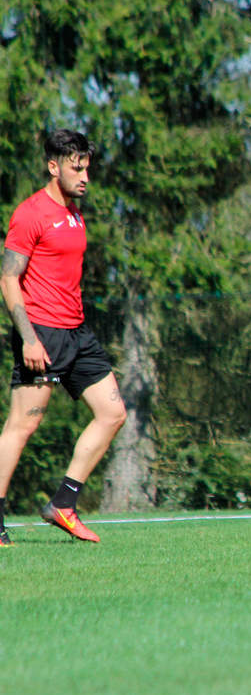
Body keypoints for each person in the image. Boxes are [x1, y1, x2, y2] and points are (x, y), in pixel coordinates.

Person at [0, 130, 127, 546]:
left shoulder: (74, 213)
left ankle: (63, 504)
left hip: (78, 332)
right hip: (43, 334)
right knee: (22, 426)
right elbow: (8, 278)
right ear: (53, 167)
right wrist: (29, 339)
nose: (85, 175)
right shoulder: (30, 214)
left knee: (113, 413)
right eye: (77, 167)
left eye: (87, 167)